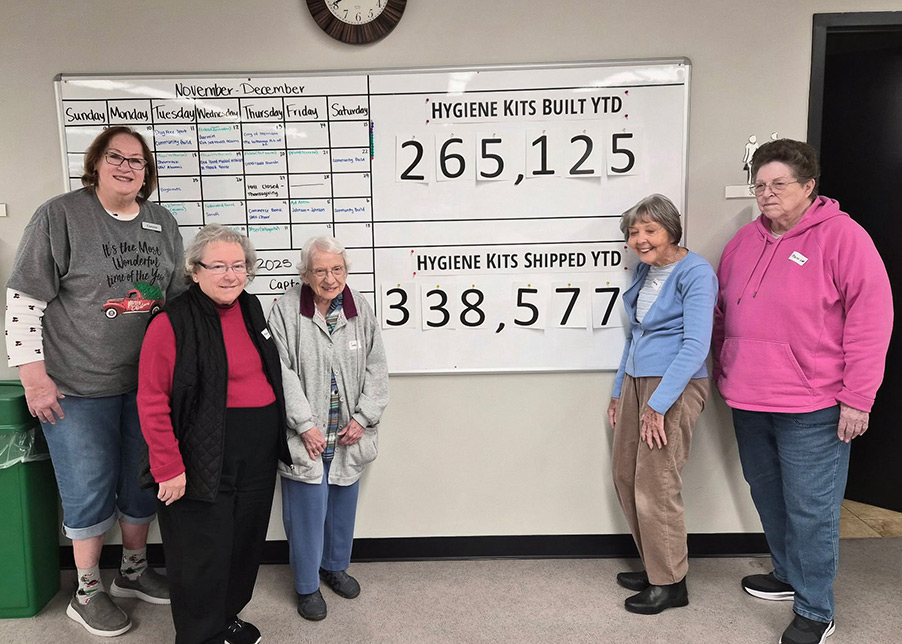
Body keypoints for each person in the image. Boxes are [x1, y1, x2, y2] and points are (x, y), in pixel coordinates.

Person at [5, 126, 183, 636]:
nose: (127, 167)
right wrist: (34, 379)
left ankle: (132, 571)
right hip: (76, 388)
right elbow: (24, 301)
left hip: (145, 388)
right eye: (116, 157)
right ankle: (86, 591)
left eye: (137, 161)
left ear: (147, 172)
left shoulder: (161, 222)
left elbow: (174, 303)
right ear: (96, 163)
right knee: (86, 489)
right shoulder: (60, 215)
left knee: (140, 482)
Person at [713, 139, 893, 644]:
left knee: (811, 511)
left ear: (809, 187)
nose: (766, 194)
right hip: (749, 398)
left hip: (813, 406)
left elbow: (871, 321)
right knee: (768, 495)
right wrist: (722, 368)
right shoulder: (743, 241)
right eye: (760, 184)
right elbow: (725, 313)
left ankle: (816, 609)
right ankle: (788, 576)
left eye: (778, 184)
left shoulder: (844, 238)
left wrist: (858, 398)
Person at [137, 224, 291, 644]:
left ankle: (225, 618)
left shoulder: (251, 308)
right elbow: (152, 400)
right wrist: (167, 466)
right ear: (195, 269)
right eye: (218, 265)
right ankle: (200, 635)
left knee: (243, 542)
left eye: (238, 265)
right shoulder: (171, 322)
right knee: (201, 551)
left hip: (255, 451)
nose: (230, 275)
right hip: (200, 454)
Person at [268, 236, 389, 622]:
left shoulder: (359, 308)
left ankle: (334, 567)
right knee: (306, 512)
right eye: (320, 270)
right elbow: (280, 373)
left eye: (337, 269)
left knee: (341, 506)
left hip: (349, 432)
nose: (330, 278)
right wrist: (304, 424)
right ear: (305, 274)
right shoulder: (286, 310)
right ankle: (306, 585)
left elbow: (377, 366)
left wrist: (364, 417)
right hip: (306, 436)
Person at [607, 194, 717, 615]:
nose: (640, 239)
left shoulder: (695, 272)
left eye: (649, 230)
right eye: (633, 232)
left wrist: (658, 404)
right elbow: (635, 334)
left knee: (656, 482)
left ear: (671, 230)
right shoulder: (643, 272)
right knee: (625, 474)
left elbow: (696, 346)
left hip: (674, 385)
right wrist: (620, 390)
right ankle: (657, 565)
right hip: (638, 382)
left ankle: (671, 584)